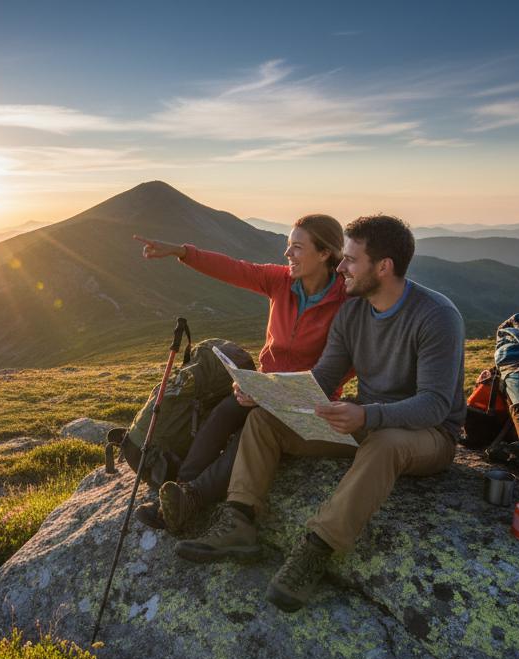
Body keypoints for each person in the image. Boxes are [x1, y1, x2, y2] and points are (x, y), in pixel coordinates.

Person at [173, 214, 466, 612]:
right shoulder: (353, 312)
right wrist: (267, 392)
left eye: (351, 260)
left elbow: (434, 404)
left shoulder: (435, 316)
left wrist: (367, 416)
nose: (341, 267)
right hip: (366, 418)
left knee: (384, 444)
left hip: (428, 434)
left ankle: (316, 549)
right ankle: (238, 521)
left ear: (384, 267)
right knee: (263, 421)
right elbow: (325, 376)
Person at [132, 216, 351, 533]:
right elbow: (234, 268)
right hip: (264, 389)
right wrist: (181, 252)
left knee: (250, 429)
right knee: (223, 413)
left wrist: (278, 392)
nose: (287, 253)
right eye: (288, 245)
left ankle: (192, 499)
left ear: (325, 253)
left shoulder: (346, 300)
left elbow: (343, 366)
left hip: (311, 401)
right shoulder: (281, 281)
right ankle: (179, 488)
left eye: (297, 247)